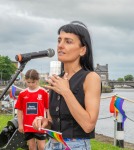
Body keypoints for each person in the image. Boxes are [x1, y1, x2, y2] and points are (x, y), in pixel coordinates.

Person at [32, 21, 101, 150]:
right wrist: (46, 122)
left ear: (82, 50)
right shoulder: (56, 79)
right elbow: (54, 120)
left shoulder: (91, 78)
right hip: (52, 144)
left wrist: (66, 91)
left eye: (68, 41)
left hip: (76, 145)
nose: (60, 46)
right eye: (59, 40)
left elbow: (88, 125)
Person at [15, 69, 49, 150]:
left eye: (33, 82)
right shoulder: (22, 94)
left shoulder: (43, 92)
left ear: (37, 80)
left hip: (40, 125)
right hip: (27, 125)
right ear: (25, 80)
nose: (30, 84)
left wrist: (48, 121)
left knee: (41, 147)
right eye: (28, 82)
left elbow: (48, 109)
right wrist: (20, 124)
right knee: (31, 147)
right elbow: (20, 111)